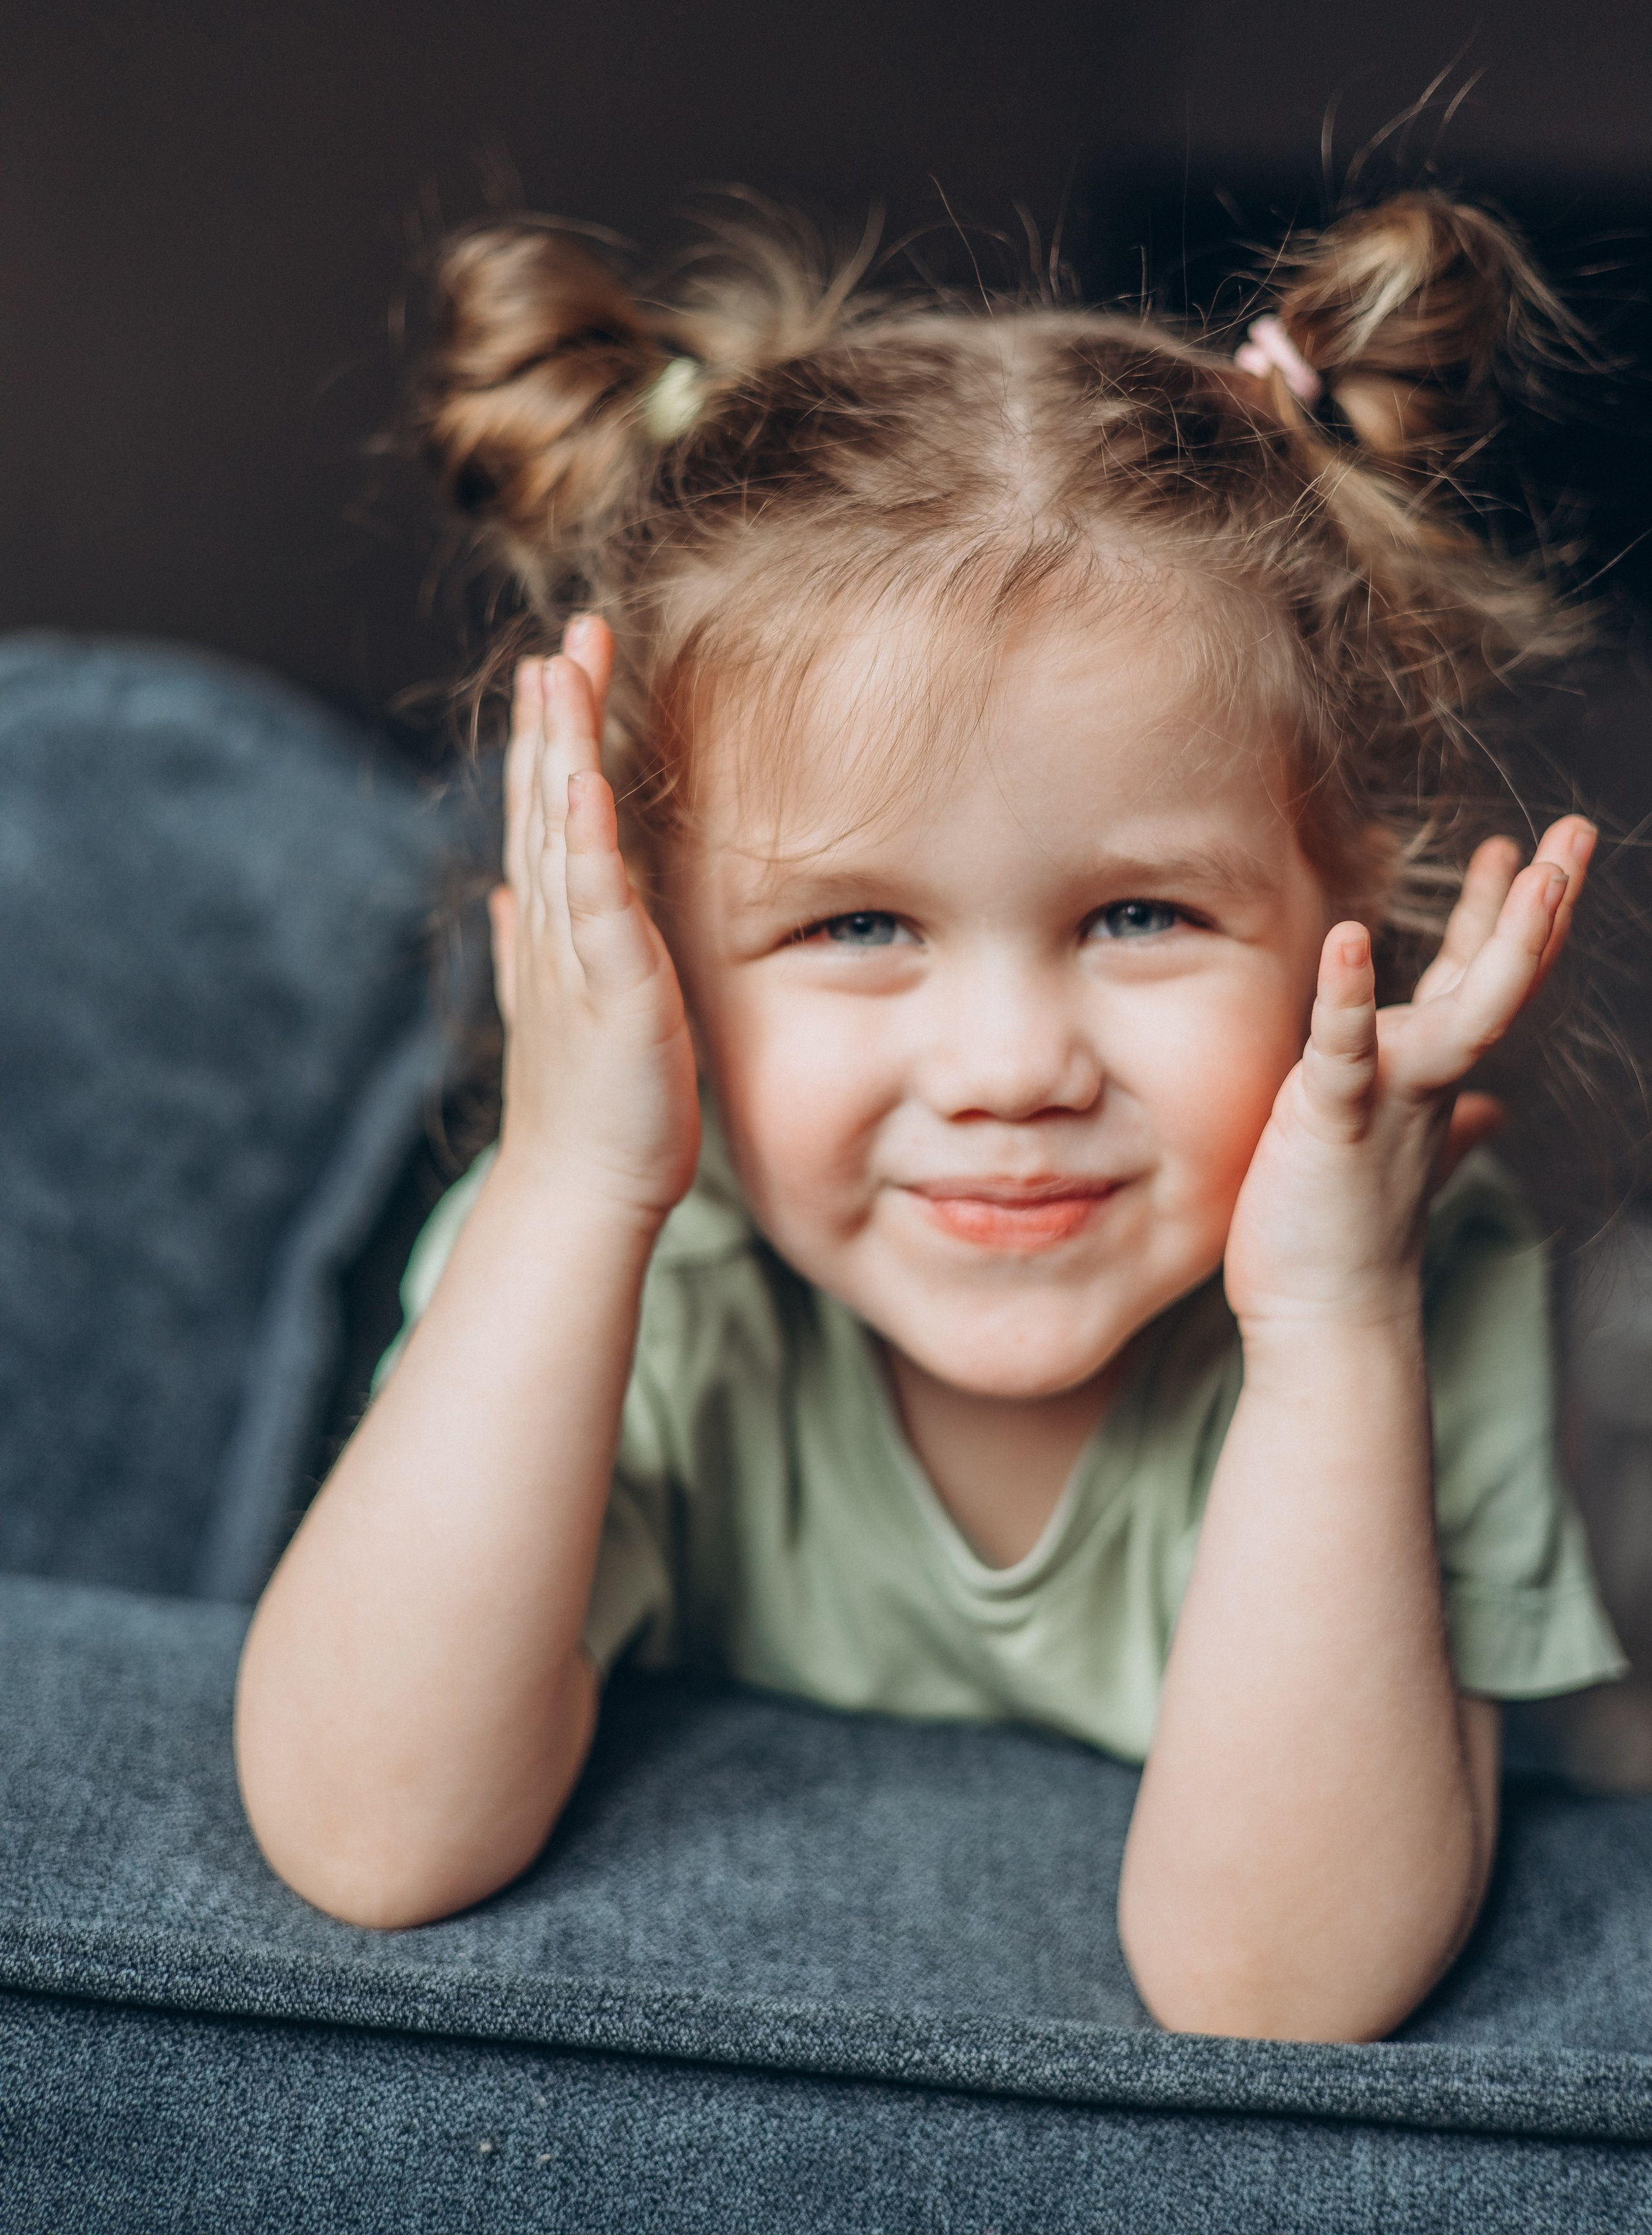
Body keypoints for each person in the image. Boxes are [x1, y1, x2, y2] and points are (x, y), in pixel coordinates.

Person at [235, 192, 1626, 2041]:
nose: (1007, 1066)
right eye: (855, 923)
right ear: (647, 955)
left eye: (1139, 915)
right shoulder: (631, 1249)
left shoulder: (1401, 1282)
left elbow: (1280, 1991)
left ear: (1346, 914)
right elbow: (364, 1834)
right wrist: (569, 1186)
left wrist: (1332, 1329)